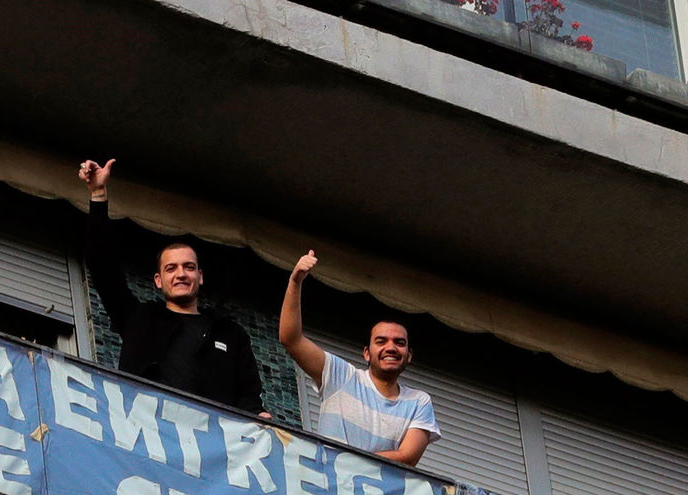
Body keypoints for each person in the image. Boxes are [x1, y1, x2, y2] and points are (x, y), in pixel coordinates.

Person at [79, 159, 268, 417]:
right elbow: (101, 267)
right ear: (158, 280)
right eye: (171, 268)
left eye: (189, 267)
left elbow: (249, 398)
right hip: (148, 436)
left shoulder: (231, 334)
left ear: (200, 277)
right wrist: (98, 195)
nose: (181, 274)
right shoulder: (139, 319)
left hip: (212, 448)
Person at [279, 250, 440, 466]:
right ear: (367, 353)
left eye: (399, 343)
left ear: (409, 356)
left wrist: (344, 460)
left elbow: (407, 457)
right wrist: (295, 281)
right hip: (327, 491)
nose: (391, 348)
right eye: (381, 341)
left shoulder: (419, 402)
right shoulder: (341, 376)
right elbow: (291, 339)